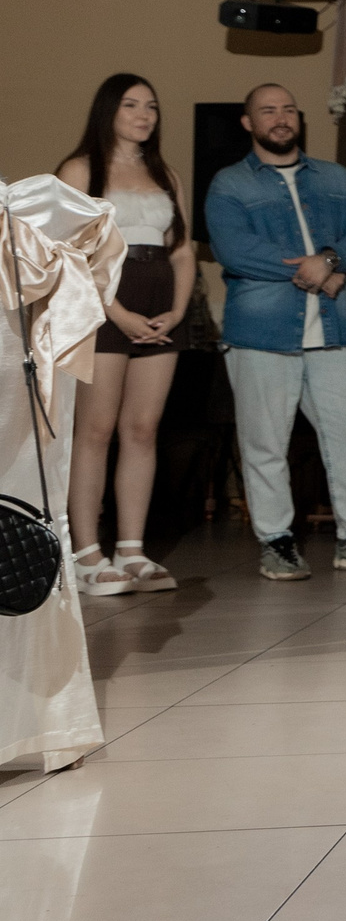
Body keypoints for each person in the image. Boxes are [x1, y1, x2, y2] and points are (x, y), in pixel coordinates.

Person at [203, 84, 346, 581]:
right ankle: (277, 542)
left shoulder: (334, 178)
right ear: (248, 123)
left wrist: (329, 260)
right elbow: (234, 250)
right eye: (268, 111)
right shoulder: (229, 183)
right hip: (260, 333)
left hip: (335, 332)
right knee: (265, 443)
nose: (281, 118)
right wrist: (314, 271)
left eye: (288, 109)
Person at [57, 74, 193, 596]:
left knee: (142, 428)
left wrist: (177, 311)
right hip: (102, 303)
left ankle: (131, 549)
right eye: (132, 105)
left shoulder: (165, 172)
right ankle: (86, 553)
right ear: (109, 110)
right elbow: (70, 255)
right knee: (96, 429)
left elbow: (182, 248)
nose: (144, 115)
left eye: (151, 106)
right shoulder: (79, 168)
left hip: (160, 300)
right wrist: (116, 311)